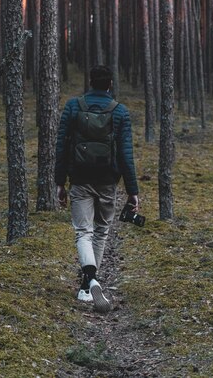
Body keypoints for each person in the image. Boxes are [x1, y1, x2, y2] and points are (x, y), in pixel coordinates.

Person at [55, 65, 139, 313]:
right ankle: (88, 283)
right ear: (110, 84)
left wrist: (59, 182)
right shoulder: (120, 111)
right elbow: (126, 154)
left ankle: (88, 283)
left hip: (79, 179)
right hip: (108, 181)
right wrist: (133, 190)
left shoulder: (73, 107)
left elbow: (61, 147)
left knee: (83, 232)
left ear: (90, 82)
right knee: (101, 232)